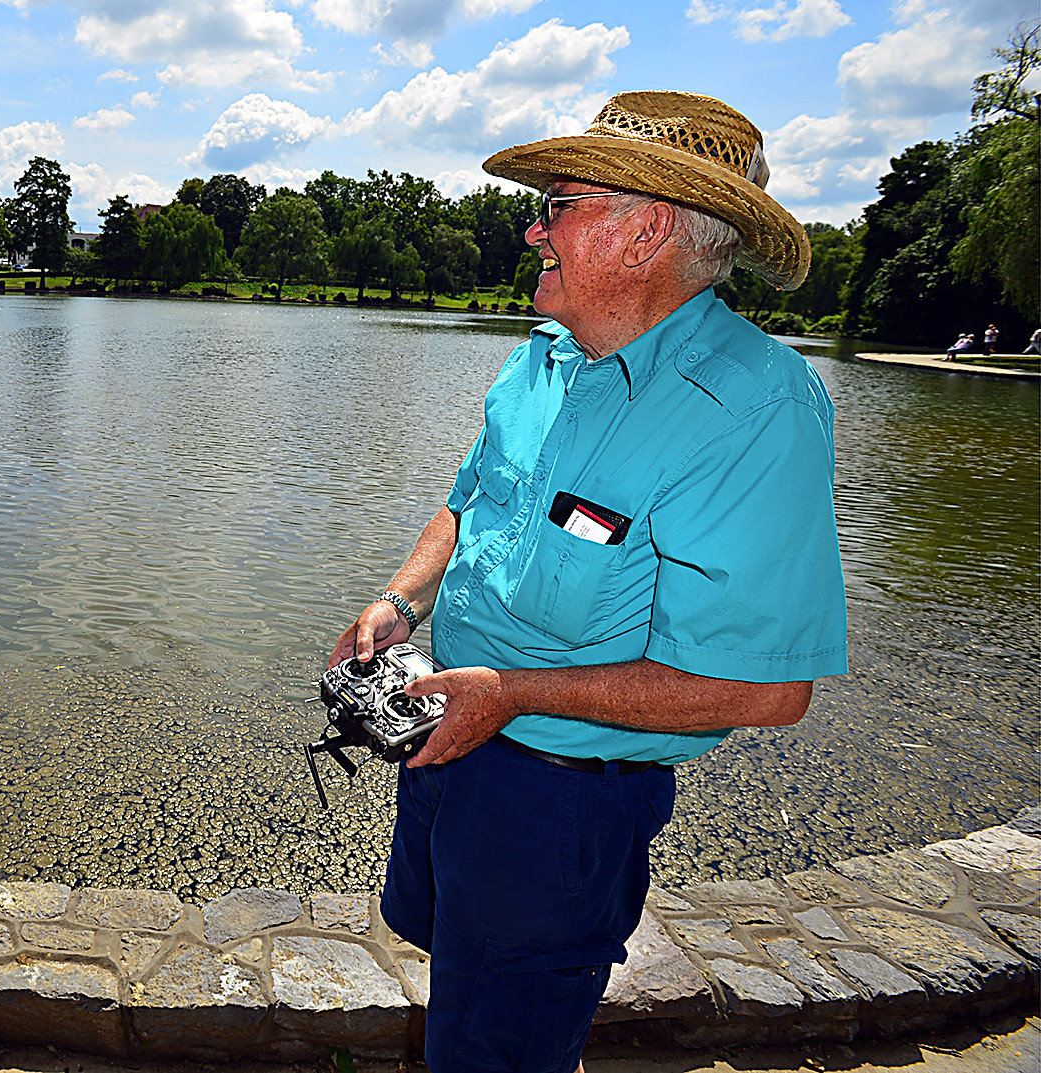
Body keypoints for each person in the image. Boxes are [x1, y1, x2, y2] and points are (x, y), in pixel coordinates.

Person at [329, 91, 847, 1073]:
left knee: (501, 1038)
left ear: (646, 228)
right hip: (452, 745)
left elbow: (768, 689)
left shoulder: (755, 412)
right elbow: (469, 501)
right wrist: (400, 601)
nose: (534, 226)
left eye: (559, 203)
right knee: (470, 991)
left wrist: (513, 694)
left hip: (561, 806)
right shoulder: (544, 359)